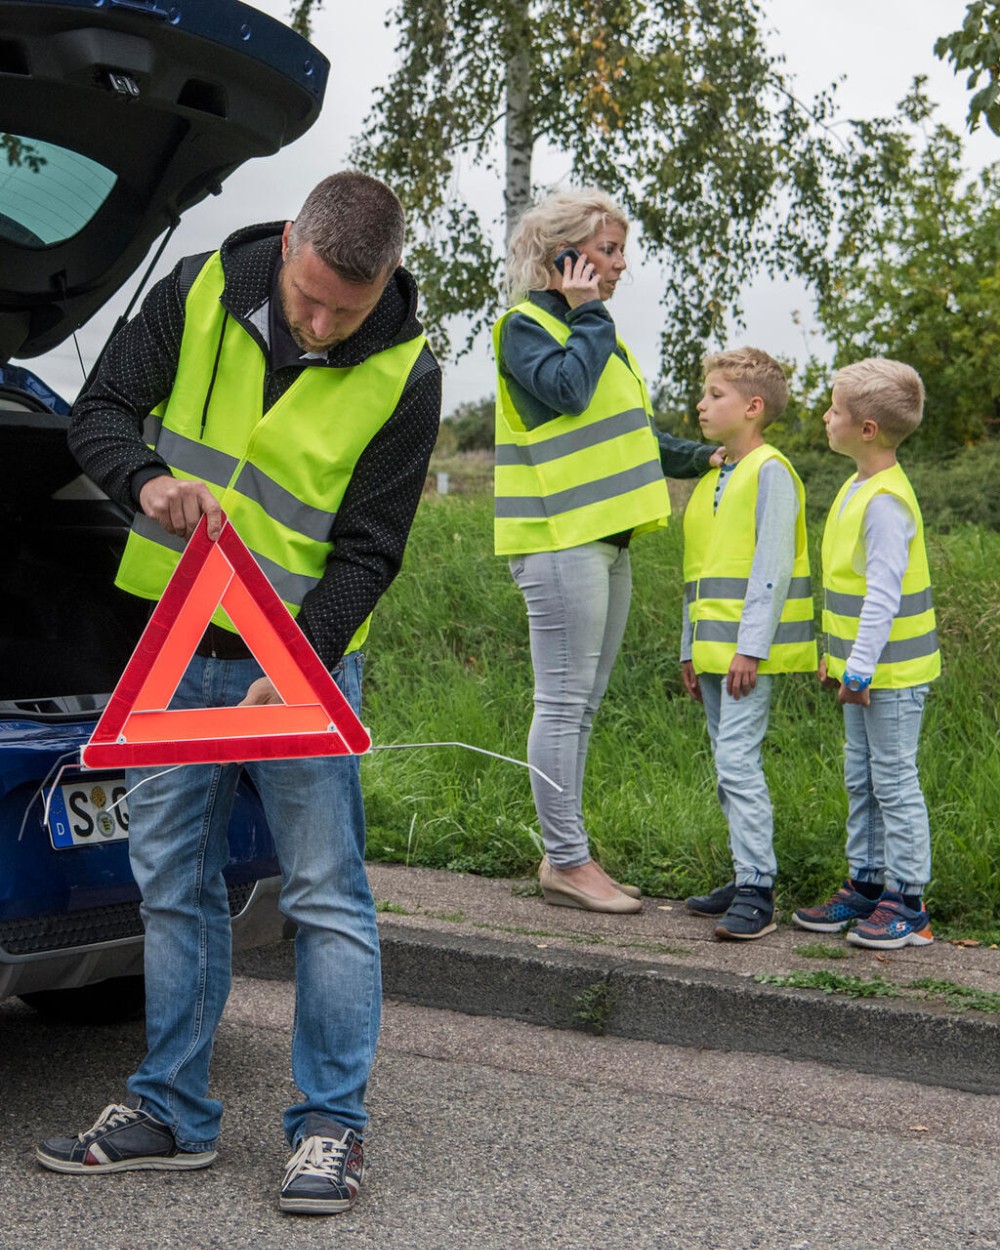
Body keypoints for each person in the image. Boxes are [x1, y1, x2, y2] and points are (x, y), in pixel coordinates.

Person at [36, 171, 441, 1214]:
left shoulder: (406, 372)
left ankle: (329, 1128)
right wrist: (144, 482)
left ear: (385, 278)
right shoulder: (197, 288)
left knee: (325, 894)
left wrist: (299, 655)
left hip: (291, 662)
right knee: (170, 876)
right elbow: (101, 414)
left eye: (343, 312)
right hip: (175, 643)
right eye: (308, 298)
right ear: (291, 246)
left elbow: (370, 549)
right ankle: (170, 1107)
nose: (317, 324)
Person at [493, 186, 719, 915]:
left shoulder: (599, 334)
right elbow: (565, 391)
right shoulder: (526, 328)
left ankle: (572, 855)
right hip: (560, 540)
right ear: (564, 256)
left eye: (621, 251)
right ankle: (566, 862)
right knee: (561, 704)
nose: (620, 265)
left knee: (582, 707)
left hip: (607, 542)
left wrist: (707, 457)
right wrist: (587, 313)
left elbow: (636, 439)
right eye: (608, 250)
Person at [793, 359, 939, 949]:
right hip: (863, 670)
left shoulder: (884, 502)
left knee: (894, 783)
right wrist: (839, 656)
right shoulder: (858, 486)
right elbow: (850, 594)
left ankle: (909, 904)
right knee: (863, 778)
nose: (826, 417)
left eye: (834, 410)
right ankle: (866, 885)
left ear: (867, 428)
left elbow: (882, 596)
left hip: (890, 676)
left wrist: (859, 668)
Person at [681, 348, 816, 940]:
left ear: (752, 407)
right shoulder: (718, 475)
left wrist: (751, 647)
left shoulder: (772, 472)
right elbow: (700, 570)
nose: (701, 404)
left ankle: (758, 889)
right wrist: (688, 646)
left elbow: (772, 567)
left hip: (744, 656)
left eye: (714, 395)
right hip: (712, 651)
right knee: (725, 765)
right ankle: (744, 872)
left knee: (738, 763)